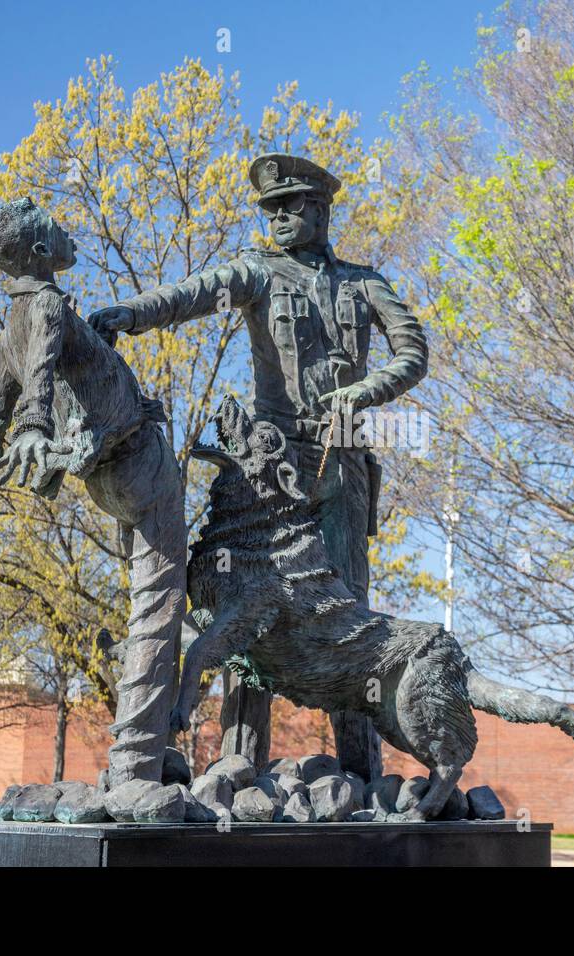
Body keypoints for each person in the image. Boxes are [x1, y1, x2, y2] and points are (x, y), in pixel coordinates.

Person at [88, 154, 428, 781]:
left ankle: (362, 773)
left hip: (342, 459)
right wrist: (130, 314)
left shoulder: (364, 284)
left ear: (321, 211)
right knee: (251, 603)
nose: (275, 218)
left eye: (289, 207)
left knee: (347, 609)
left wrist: (367, 390)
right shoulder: (259, 275)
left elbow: (414, 353)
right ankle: (238, 769)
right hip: (272, 462)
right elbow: (192, 294)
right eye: (268, 209)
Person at [0, 197, 185, 790]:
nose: (70, 233)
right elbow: (36, 387)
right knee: (161, 605)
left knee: (161, 601)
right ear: (43, 254)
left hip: (113, 468)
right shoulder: (44, 308)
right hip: (141, 467)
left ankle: (148, 748)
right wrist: (35, 428)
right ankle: (137, 768)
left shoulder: (14, 323)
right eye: (56, 229)